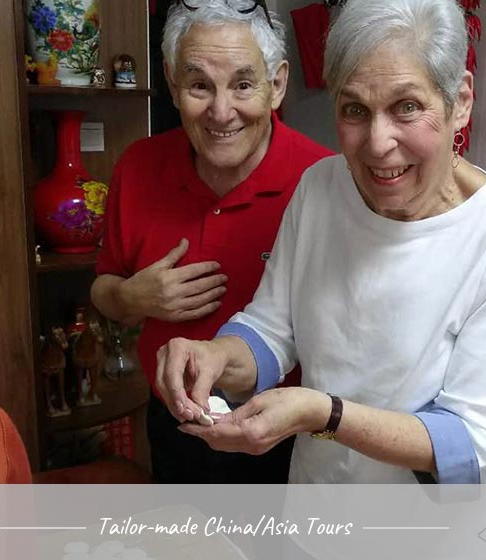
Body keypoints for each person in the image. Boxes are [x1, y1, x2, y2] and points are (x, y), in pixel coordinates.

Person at [156, 0, 486, 483]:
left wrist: (325, 415)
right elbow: (274, 328)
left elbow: (474, 440)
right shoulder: (321, 188)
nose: (378, 142)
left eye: (406, 107)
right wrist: (216, 356)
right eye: (355, 110)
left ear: (461, 101)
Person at [90, 0, 333, 483]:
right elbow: (103, 288)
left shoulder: (324, 181)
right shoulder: (137, 168)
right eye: (200, 85)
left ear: (277, 84)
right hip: (178, 429)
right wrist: (132, 296)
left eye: (243, 84)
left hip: (295, 440)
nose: (222, 112)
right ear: (172, 83)